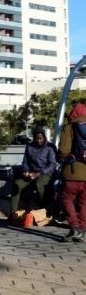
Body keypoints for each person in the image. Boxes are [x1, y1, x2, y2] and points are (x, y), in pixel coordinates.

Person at [9, 127, 56, 217]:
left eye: (41, 138)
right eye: (37, 139)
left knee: (40, 185)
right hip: (31, 172)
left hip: (44, 172)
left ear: (44, 137)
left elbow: (52, 164)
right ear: (34, 138)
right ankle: (13, 214)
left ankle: (45, 211)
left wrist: (39, 173)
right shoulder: (29, 146)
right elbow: (25, 162)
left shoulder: (49, 147)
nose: (39, 141)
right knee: (17, 185)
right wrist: (25, 171)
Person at [58, 103, 86, 242]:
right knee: (85, 203)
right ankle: (83, 230)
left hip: (72, 172)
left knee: (67, 199)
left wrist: (62, 158)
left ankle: (75, 227)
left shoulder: (69, 127)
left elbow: (63, 150)